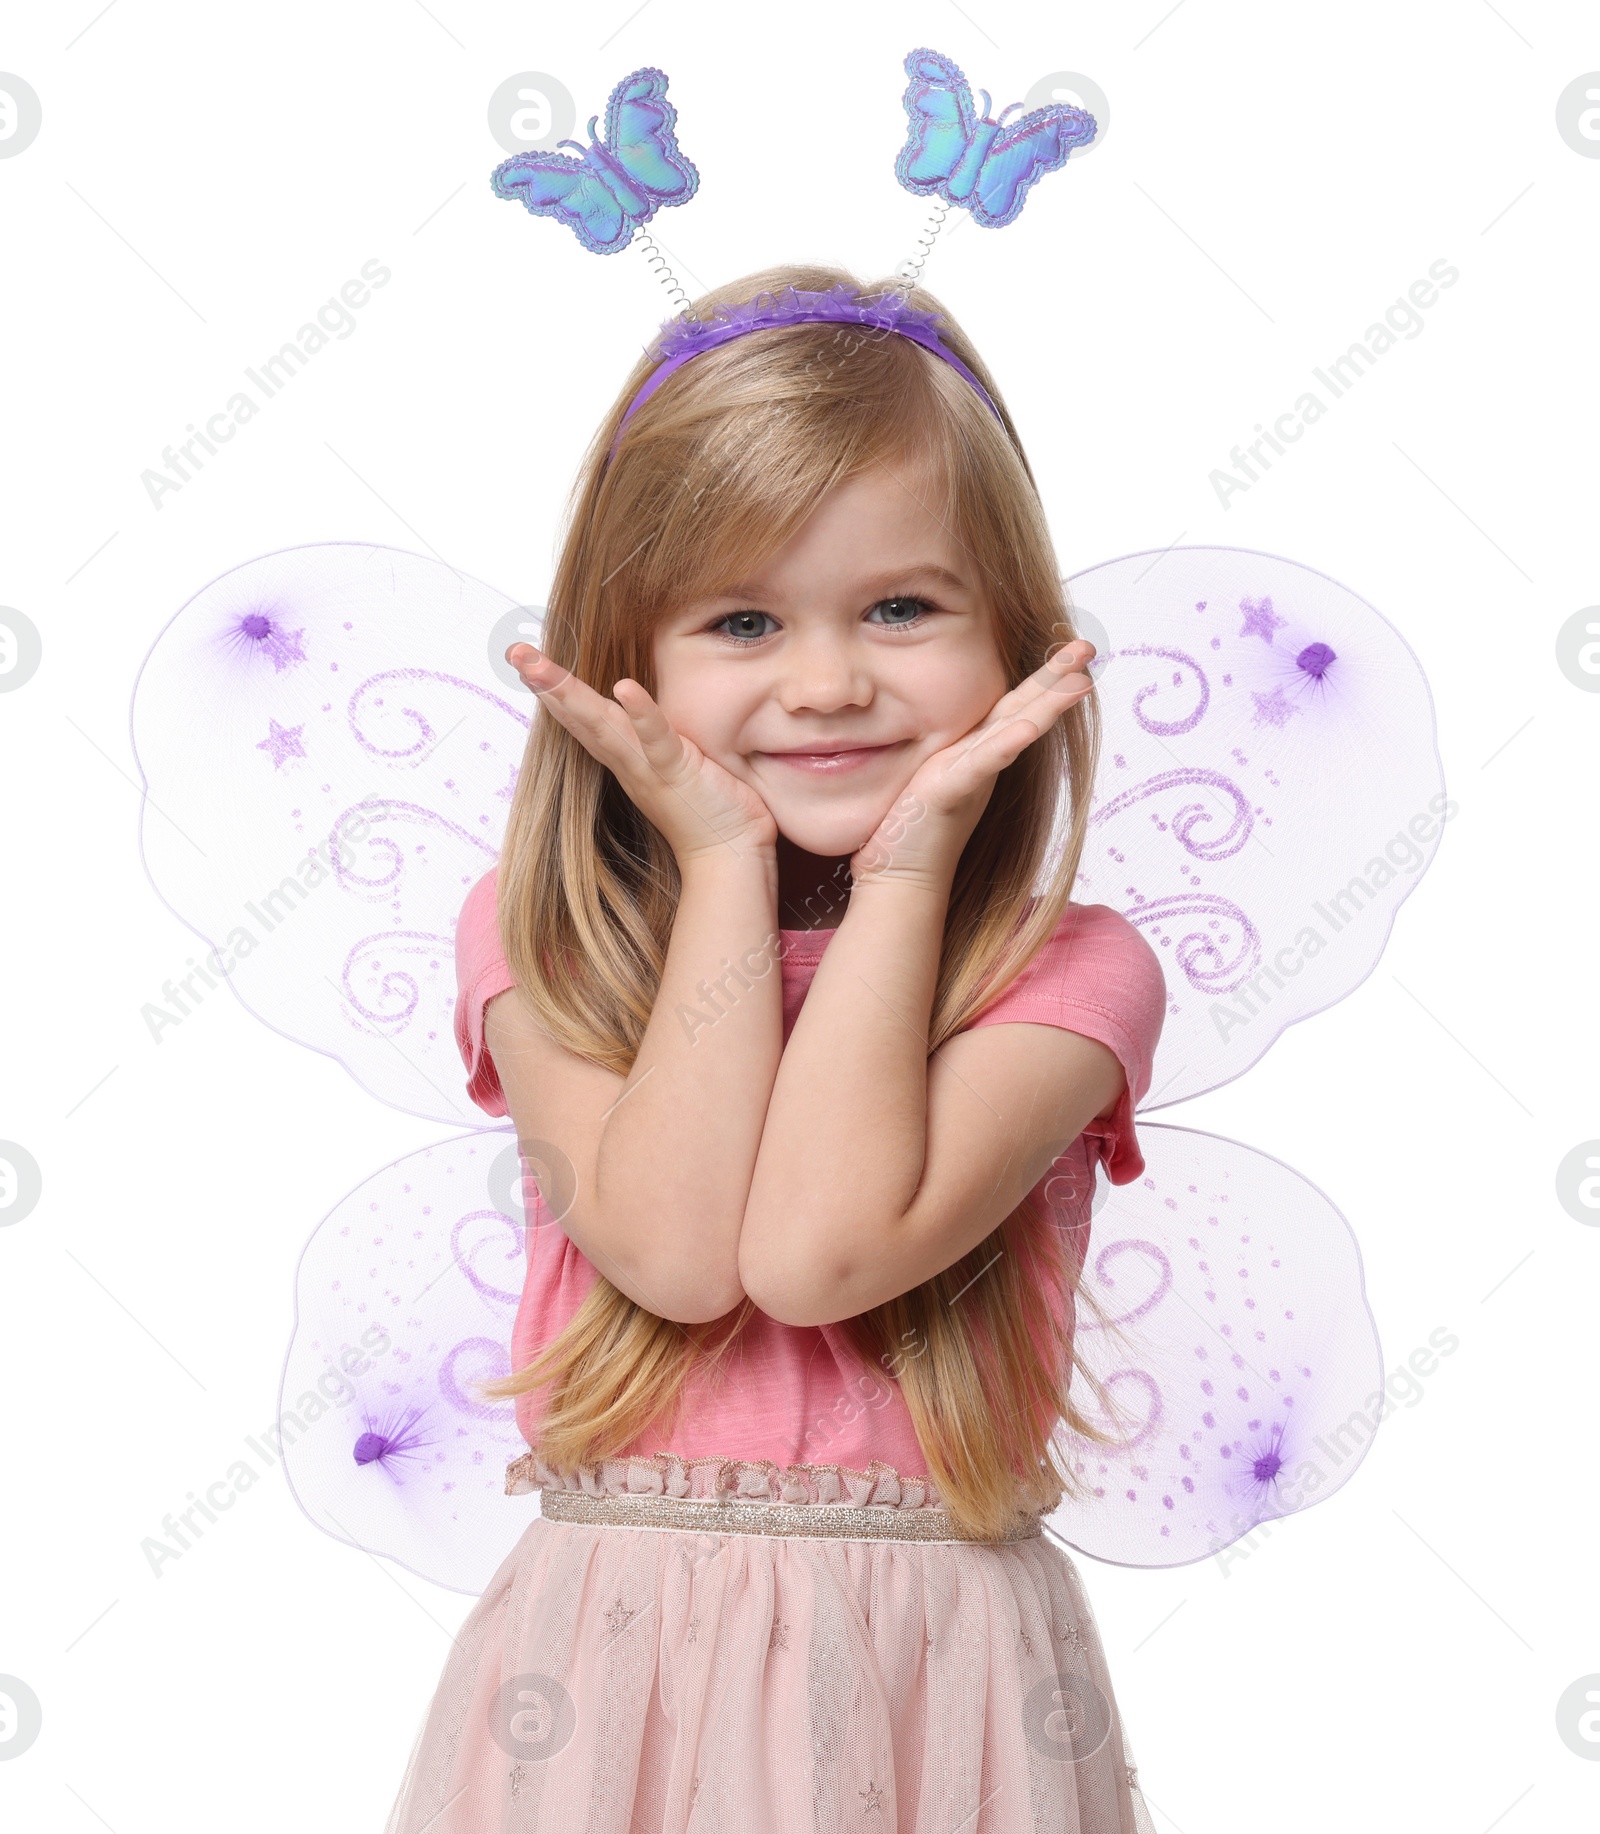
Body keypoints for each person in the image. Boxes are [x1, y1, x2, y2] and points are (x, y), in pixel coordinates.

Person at [383, 262, 1166, 1834]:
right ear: (634, 656)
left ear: (1012, 638)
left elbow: (817, 1253)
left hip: (937, 1686)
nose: (827, 682)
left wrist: (903, 875)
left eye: (901, 606)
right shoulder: (545, 942)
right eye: (744, 619)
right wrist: (727, 867)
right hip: (612, 1679)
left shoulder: (1069, 974)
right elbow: (680, 1252)